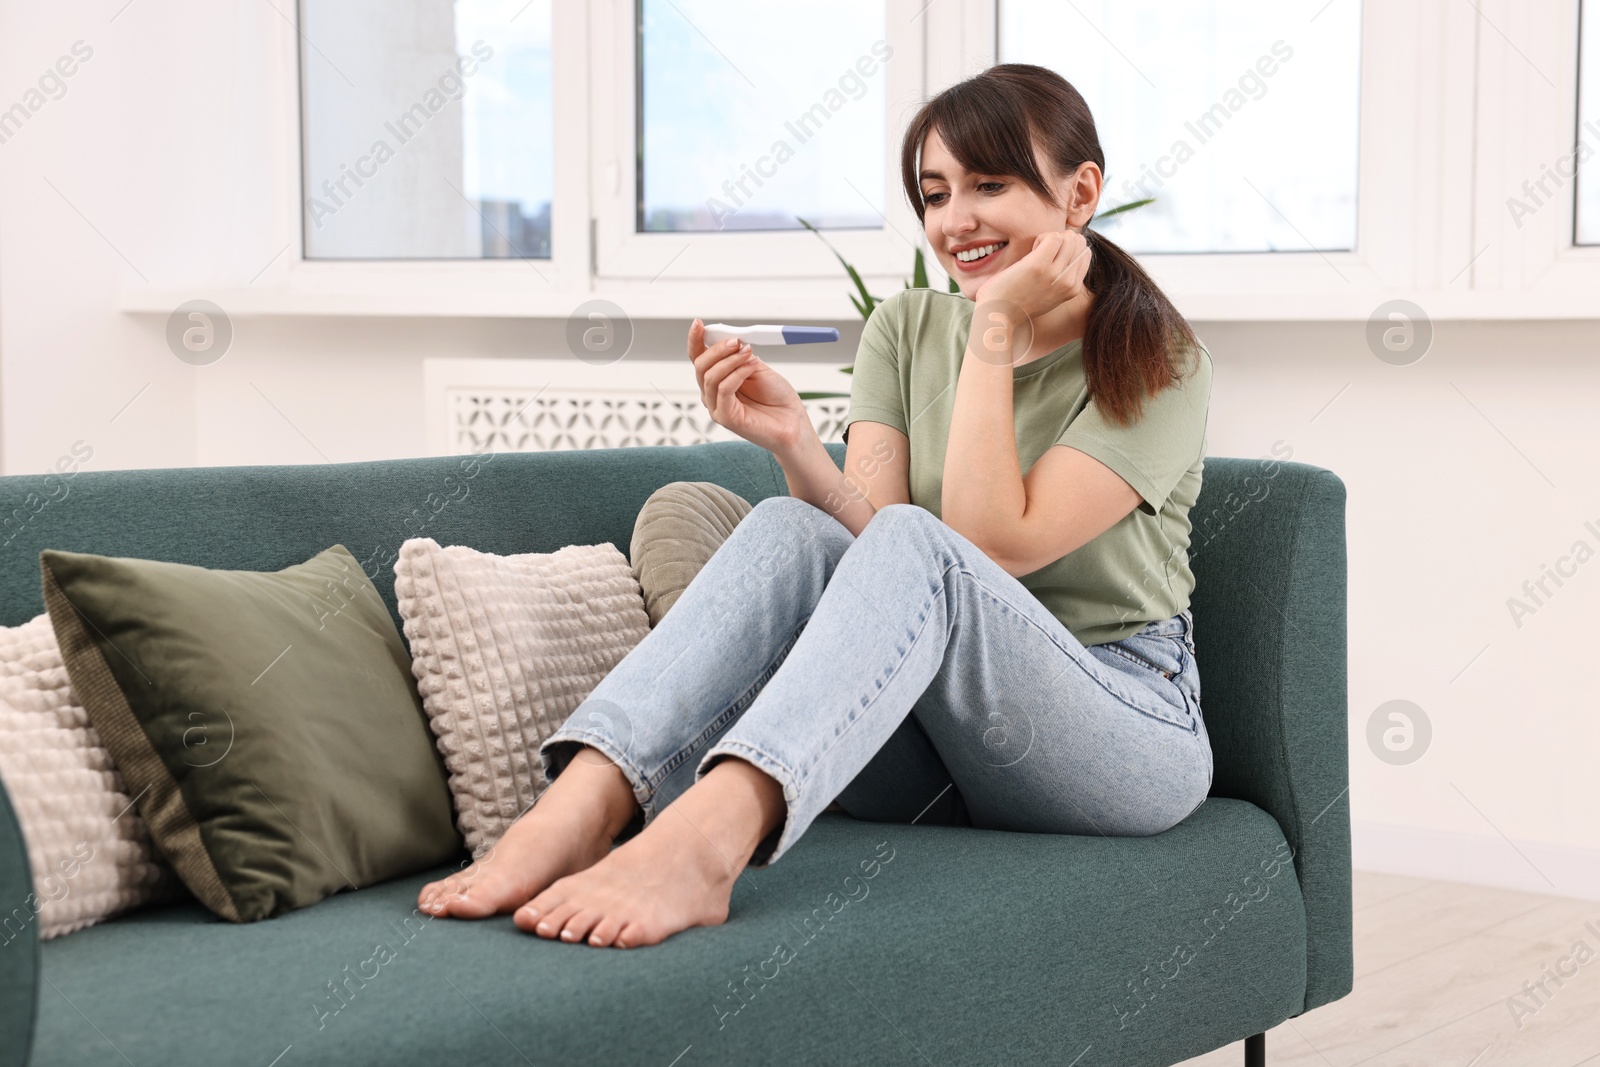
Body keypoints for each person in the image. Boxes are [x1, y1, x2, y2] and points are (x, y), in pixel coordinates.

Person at [418, 62, 1214, 950]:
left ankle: (703, 846)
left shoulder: (1156, 361)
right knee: (791, 525)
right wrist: (797, 443)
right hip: (937, 731)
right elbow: (877, 559)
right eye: (935, 193)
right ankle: (577, 805)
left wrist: (992, 328)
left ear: (1081, 193)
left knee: (923, 540)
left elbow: (991, 546)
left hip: (1117, 729)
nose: (956, 222)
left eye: (991, 184)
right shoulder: (908, 329)